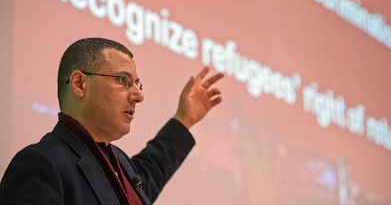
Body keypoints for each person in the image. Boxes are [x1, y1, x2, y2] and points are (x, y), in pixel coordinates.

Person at [0, 37, 224, 205]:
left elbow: (150, 171)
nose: (139, 95)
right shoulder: (41, 164)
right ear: (79, 84)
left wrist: (184, 120)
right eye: (123, 80)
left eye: (138, 83)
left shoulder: (118, 162)